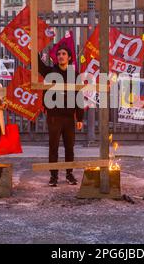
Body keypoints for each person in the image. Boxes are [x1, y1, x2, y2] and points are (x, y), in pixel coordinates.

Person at [38, 44, 84, 187]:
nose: (61, 56)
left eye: (64, 54)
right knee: (53, 147)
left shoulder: (74, 75)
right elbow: (39, 65)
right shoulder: (51, 72)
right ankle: (53, 176)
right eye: (58, 54)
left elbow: (79, 96)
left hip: (69, 117)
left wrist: (80, 118)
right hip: (54, 116)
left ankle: (69, 174)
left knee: (69, 147)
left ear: (69, 57)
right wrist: (33, 50)